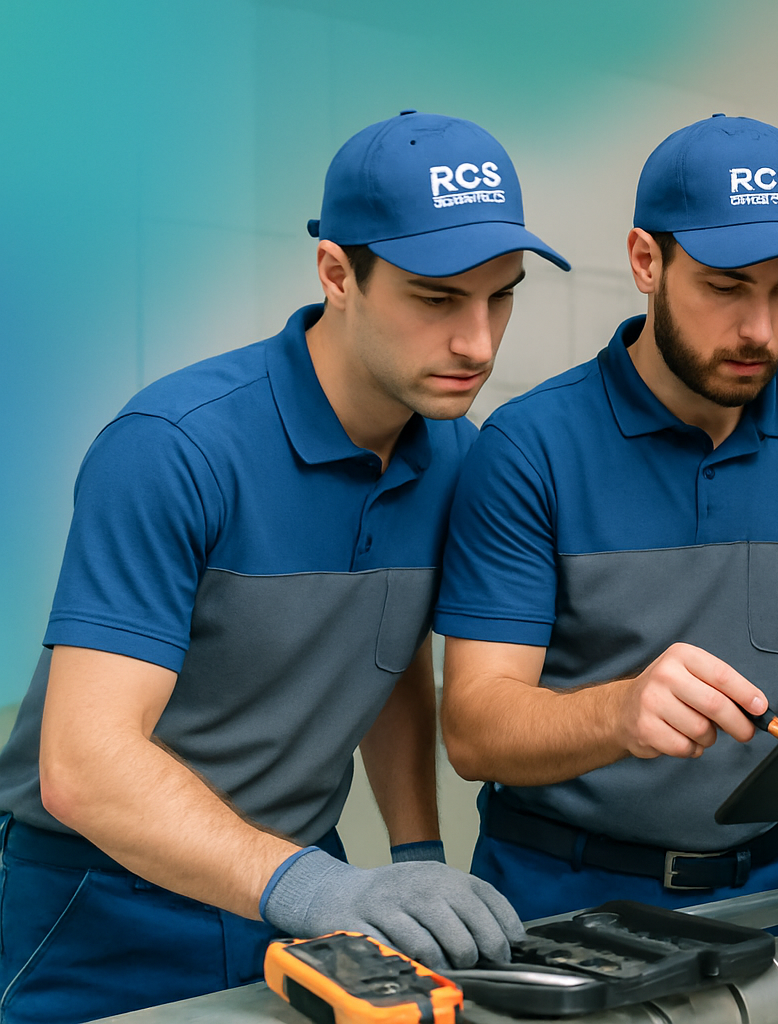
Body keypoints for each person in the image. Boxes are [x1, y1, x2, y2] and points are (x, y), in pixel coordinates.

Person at [0, 110, 569, 1023]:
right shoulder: (173, 449)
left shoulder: (452, 455)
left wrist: (414, 854)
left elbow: (385, 664)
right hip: (104, 898)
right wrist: (318, 889)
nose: (479, 343)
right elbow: (84, 764)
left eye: (500, 296)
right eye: (437, 300)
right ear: (337, 272)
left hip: (305, 892)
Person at [435, 114, 778, 927]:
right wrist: (617, 713)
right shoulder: (530, 448)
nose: (761, 329)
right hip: (563, 901)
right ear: (647, 261)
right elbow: (474, 727)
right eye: (725, 286)